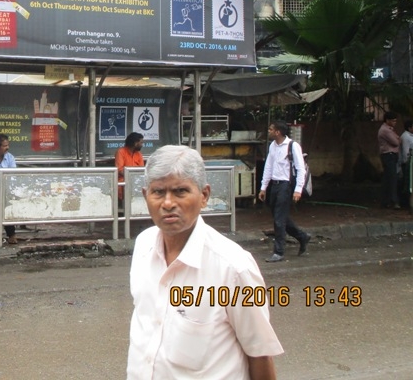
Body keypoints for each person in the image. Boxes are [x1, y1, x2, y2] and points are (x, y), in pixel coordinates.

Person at [128, 145, 282, 380]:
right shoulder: (143, 245)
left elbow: (260, 354)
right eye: (158, 192)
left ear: (204, 196)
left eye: (180, 191)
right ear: (145, 196)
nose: (168, 203)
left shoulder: (234, 267)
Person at [259, 121, 310, 262]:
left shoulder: (292, 146)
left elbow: (301, 169)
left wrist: (298, 190)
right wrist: (264, 187)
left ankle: (279, 251)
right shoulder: (273, 146)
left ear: (278, 132)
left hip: (286, 186)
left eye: (271, 129)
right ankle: (302, 236)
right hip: (274, 186)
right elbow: (268, 167)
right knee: (279, 217)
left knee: (279, 220)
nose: (268, 131)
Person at [377, 111, 401, 209]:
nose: (395, 123)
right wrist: (399, 139)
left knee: (388, 178)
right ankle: (393, 201)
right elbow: (396, 142)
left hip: (390, 155)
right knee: (392, 178)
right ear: (387, 120)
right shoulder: (385, 130)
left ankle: (385, 201)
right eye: (393, 121)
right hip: (389, 155)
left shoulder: (390, 129)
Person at [115, 132, 144, 203]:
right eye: (141, 142)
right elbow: (120, 169)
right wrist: (131, 176)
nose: (142, 145)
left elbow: (142, 170)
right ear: (135, 143)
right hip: (123, 182)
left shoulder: (139, 154)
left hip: (137, 182)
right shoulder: (121, 152)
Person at [399, 119, 413, 211]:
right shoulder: (406, 137)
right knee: (407, 183)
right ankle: (405, 203)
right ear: (409, 127)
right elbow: (405, 150)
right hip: (408, 162)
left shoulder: (410, 136)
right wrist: (406, 162)